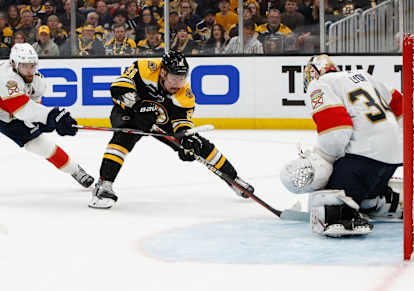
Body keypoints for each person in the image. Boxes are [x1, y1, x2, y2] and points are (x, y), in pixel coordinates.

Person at [90, 50, 254, 209]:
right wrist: (137, 105)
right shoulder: (144, 68)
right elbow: (118, 88)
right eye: (174, 78)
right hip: (130, 112)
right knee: (124, 137)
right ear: (162, 73)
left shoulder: (184, 95)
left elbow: (181, 124)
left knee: (199, 145)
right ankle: (104, 185)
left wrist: (186, 140)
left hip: (160, 118)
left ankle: (233, 179)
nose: (178, 84)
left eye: (182, 79)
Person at [280, 55, 404, 237]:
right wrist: (397, 140)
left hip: (363, 158)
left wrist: (325, 159)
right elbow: (400, 102)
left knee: (323, 194)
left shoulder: (320, 84)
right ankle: (377, 201)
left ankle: (340, 214)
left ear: (313, 73)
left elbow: (336, 130)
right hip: (394, 158)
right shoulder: (363, 76)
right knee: (363, 188)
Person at [0, 43, 94, 189]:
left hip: (9, 115)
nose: (30, 70)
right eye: (25, 66)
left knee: (41, 145)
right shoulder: (7, 79)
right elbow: (23, 109)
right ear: (13, 64)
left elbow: (34, 103)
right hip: (9, 111)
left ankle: (75, 170)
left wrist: (43, 122)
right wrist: (51, 116)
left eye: (32, 65)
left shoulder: (37, 80)